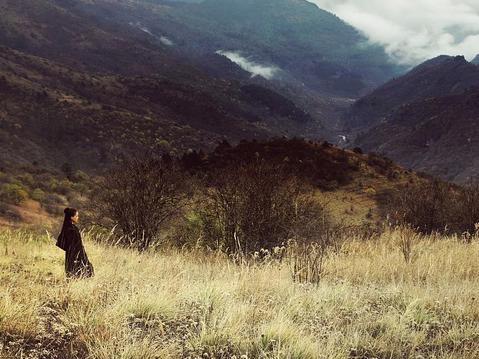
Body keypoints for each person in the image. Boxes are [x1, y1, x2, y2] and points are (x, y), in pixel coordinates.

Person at [56, 207, 94, 278]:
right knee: (77, 272)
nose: (77, 217)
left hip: (75, 253)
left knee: (79, 272)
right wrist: (79, 254)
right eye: (76, 216)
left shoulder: (71, 228)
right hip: (75, 254)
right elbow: (71, 244)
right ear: (71, 217)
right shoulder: (70, 229)